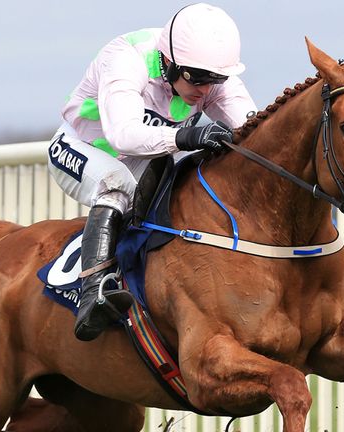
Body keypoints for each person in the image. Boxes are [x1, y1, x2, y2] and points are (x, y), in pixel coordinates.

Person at [47, 3, 257, 342]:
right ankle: (93, 292)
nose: (205, 89)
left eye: (215, 80)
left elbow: (252, 129)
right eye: (197, 78)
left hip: (143, 157)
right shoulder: (126, 58)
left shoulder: (207, 74)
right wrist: (185, 135)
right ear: (170, 62)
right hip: (81, 150)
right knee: (116, 186)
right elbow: (123, 135)